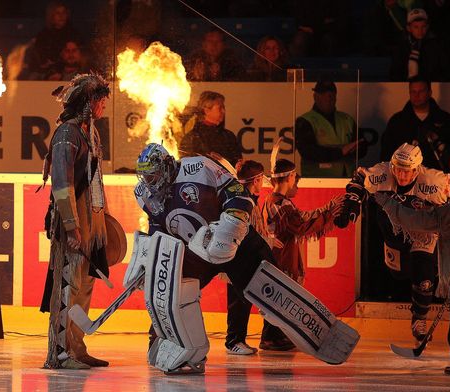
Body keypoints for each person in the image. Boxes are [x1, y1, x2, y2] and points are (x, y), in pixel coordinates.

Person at [127, 144, 359, 374]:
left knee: (273, 292)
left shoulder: (198, 167)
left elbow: (238, 195)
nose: (149, 181)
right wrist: (150, 261)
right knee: (170, 291)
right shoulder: (144, 194)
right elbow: (158, 232)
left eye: (154, 174)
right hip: (196, 251)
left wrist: (229, 230)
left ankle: (324, 333)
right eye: (145, 176)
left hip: (235, 242)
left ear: (167, 167)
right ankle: (169, 344)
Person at [335, 143, 450, 343]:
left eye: (407, 171)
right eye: (397, 169)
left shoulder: (434, 181)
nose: (401, 176)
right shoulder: (383, 172)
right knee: (399, 273)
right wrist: (352, 201)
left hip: (424, 230)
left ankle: (419, 317)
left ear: (417, 169)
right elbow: (360, 178)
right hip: (394, 231)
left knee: (424, 278)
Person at [40, 73, 111, 369]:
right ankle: (59, 353)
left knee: (84, 286)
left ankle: (77, 348)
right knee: (68, 286)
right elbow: (61, 184)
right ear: (87, 102)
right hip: (73, 220)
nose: (103, 104)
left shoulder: (89, 132)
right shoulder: (67, 134)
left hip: (90, 220)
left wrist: (100, 221)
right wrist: (71, 227)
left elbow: (95, 181)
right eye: (100, 100)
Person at [260, 158, 342, 350]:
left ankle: (274, 336)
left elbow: (301, 218)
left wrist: (327, 209)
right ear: (289, 177)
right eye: (295, 178)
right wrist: (329, 214)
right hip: (281, 257)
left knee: (279, 295)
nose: (295, 182)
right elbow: (301, 225)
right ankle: (271, 337)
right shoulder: (281, 203)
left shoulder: (275, 201)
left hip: (278, 255)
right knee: (281, 296)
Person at [372, 191, 450, 375]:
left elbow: (415, 220)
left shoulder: (447, 212)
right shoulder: (447, 212)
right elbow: (415, 220)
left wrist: (387, 203)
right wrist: (388, 204)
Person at [224, 160, 277, 355]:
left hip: (246, 261)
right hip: (238, 261)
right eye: (261, 179)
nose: (263, 182)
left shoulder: (247, 200)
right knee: (239, 301)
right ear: (256, 180)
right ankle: (234, 341)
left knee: (244, 300)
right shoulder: (243, 202)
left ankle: (238, 340)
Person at [295, 80, 365, 178]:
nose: (328, 97)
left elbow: (361, 147)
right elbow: (308, 152)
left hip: (347, 180)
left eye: (331, 94)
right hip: (317, 181)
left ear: (335, 97)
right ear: (315, 96)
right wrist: (341, 151)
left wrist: (356, 149)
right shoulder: (305, 121)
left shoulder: (347, 119)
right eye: (323, 94)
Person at [380, 78, 450, 172]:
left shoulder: (445, 119)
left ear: (429, 92)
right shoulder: (397, 122)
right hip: (404, 179)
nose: (416, 95)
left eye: (421, 91)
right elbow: (386, 154)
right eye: (413, 91)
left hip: (437, 178)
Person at [179, 91, 242, 166]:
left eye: (224, 107)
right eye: (220, 107)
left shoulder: (228, 136)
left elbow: (238, 162)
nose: (223, 111)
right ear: (206, 110)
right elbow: (186, 166)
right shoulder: (192, 139)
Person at [390, 8, 450, 81]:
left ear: (427, 27)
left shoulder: (437, 46)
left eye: (423, 26)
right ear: (408, 28)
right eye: (416, 27)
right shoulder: (402, 48)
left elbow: (446, 71)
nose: (420, 30)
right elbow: (395, 74)